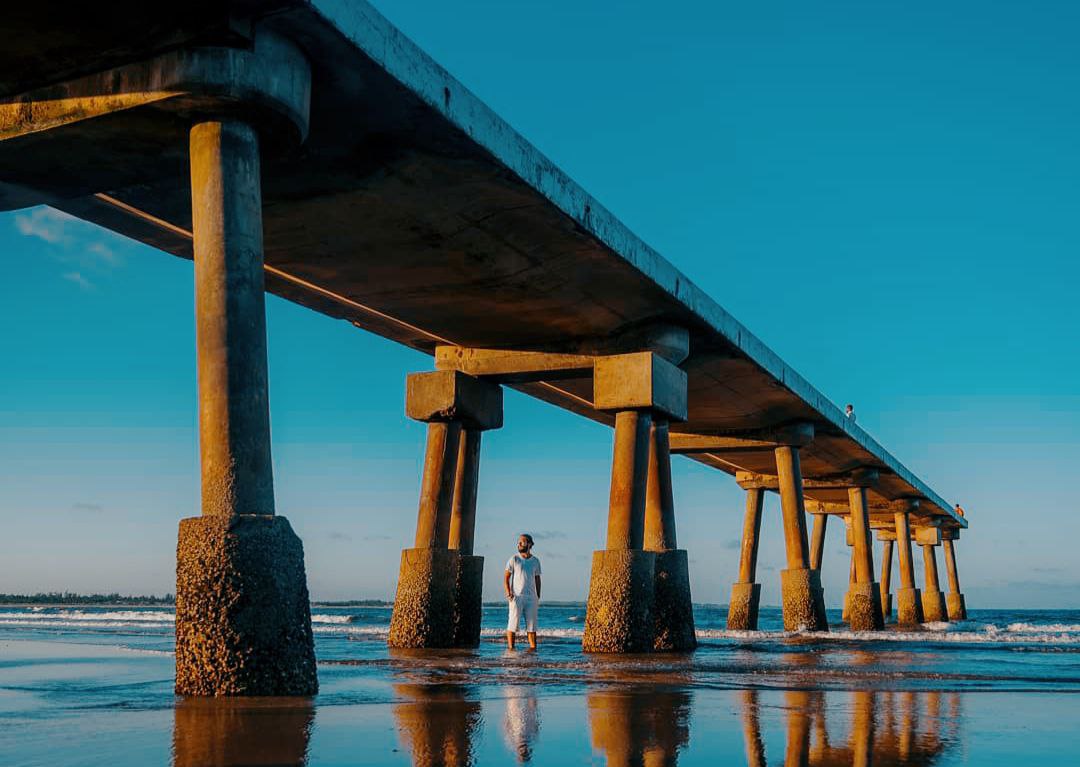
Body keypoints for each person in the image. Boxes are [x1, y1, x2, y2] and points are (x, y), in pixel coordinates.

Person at [505, 533, 542, 650]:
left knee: (532, 627)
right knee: (512, 625)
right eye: (518, 542)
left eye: (522, 542)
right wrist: (509, 593)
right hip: (516, 597)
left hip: (531, 598)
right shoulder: (514, 559)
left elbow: (537, 578)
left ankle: (533, 650)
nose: (519, 544)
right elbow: (506, 577)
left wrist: (538, 596)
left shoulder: (535, 561)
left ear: (530, 544)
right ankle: (511, 649)